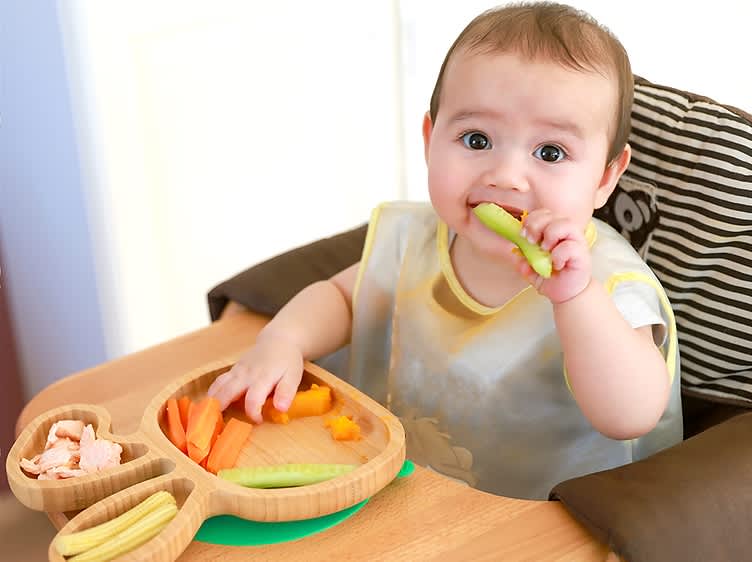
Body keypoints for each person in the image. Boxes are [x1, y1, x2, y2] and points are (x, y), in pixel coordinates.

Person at [208, 1, 682, 499]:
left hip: (538, 524)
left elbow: (630, 415)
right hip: (403, 494)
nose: (505, 176)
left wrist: (574, 298)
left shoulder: (608, 285)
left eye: (550, 153)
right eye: (476, 139)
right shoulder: (414, 240)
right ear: (431, 138)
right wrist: (282, 342)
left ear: (606, 178)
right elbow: (342, 298)